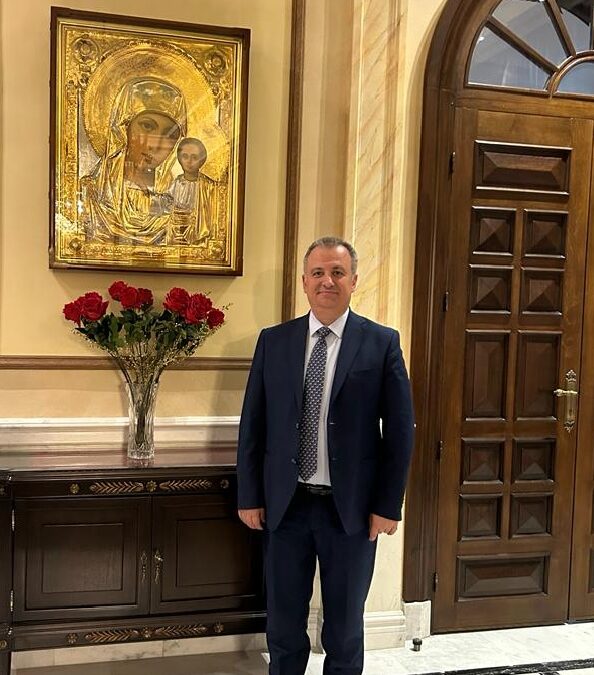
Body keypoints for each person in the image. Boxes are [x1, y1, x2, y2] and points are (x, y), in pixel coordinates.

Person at [237, 236, 415, 675]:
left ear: (354, 281)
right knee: (283, 624)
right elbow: (253, 425)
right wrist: (250, 495)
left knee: (345, 628)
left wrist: (387, 505)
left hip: (350, 511)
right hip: (286, 506)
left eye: (337, 272)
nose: (327, 281)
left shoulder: (381, 343)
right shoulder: (274, 341)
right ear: (304, 282)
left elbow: (399, 432)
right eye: (318, 273)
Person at [80, 78, 186, 245]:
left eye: (170, 135)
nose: (155, 145)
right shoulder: (90, 193)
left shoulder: (174, 206)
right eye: (147, 126)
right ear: (123, 129)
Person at [167, 137, 216, 246]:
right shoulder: (175, 184)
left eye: (194, 157)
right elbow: (167, 208)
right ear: (179, 159)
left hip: (199, 235)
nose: (189, 161)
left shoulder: (209, 186)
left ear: (202, 160)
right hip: (175, 233)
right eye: (185, 156)